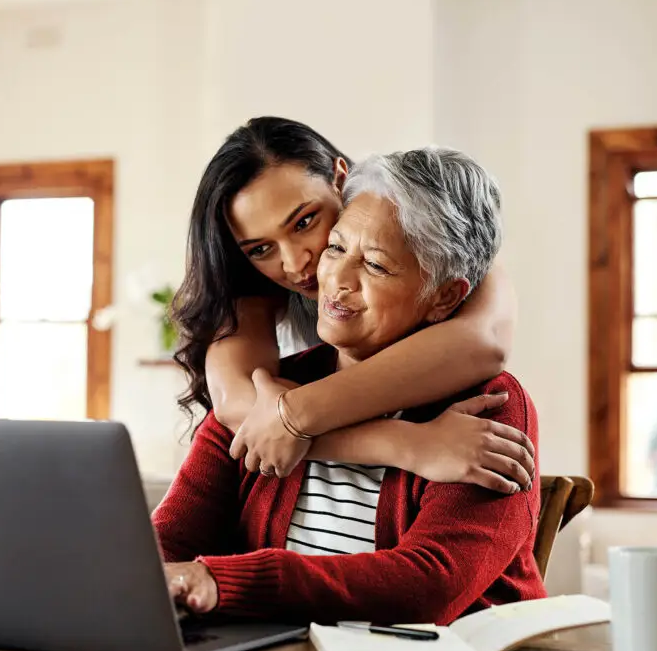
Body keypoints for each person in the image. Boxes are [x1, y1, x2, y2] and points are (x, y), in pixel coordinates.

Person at [153, 147, 546, 624]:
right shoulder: (271, 391)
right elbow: (167, 541)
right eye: (336, 248)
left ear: (444, 297)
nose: (334, 279)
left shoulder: (493, 406)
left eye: (376, 266)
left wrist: (228, 581)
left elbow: (429, 585)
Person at [172, 117, 535, 493]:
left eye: (304, 222)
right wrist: (406, 444)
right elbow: (240, 406)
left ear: (340, 179)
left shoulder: (435, 238)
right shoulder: (251, 291)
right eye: (261, 249)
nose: (296, 264)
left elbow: (482, 343)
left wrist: (295, 415)